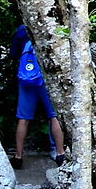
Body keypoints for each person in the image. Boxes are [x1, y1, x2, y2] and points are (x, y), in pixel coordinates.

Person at [9, 23, 63, 170]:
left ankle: (18, 157)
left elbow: (13, 53)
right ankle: (60, 154)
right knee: (54, 116)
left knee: (23, 118)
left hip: (26, 78)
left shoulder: (23, 29)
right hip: (47, 77)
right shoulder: (54, 26)